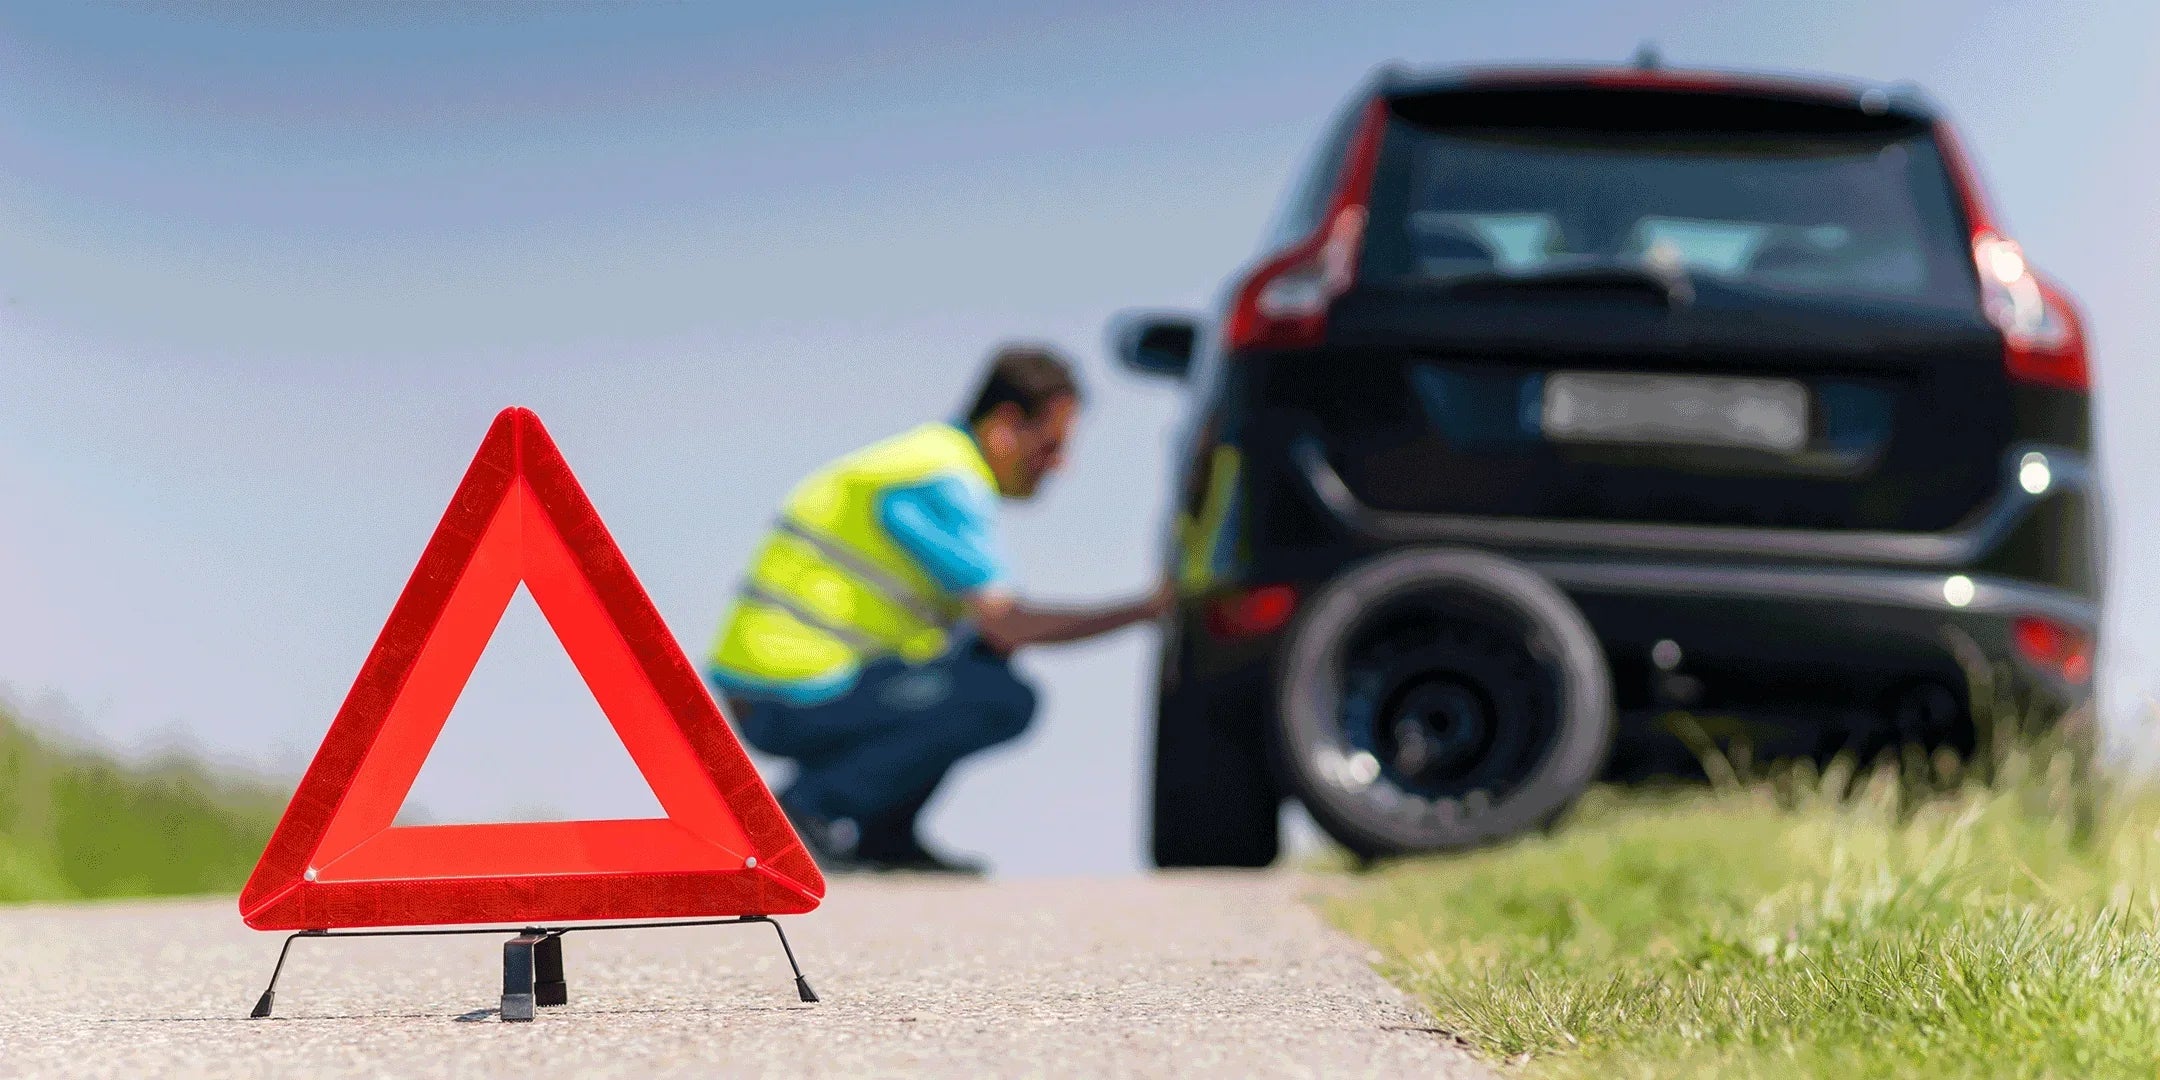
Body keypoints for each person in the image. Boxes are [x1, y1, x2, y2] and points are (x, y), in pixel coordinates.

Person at [706, 344, 1172, 875]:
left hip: (793, 685)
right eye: (1050, 446)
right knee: (997, 696)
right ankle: (806, 811)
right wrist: (1149, 608)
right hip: (788, 694)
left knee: (980, 665)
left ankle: (884, 834)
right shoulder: (939, 481)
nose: (1060, 467)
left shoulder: (928, 460)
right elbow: (1008, 624)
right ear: (1005, 426)